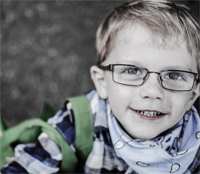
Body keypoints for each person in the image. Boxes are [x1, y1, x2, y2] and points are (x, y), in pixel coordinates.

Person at [1, 0, 200, 173]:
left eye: (174, 75)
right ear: (102, 82)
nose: (153, 92)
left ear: (193, 93)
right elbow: (27, 166)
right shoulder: (81, 119)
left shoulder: (194, 145)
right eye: (131, 71)